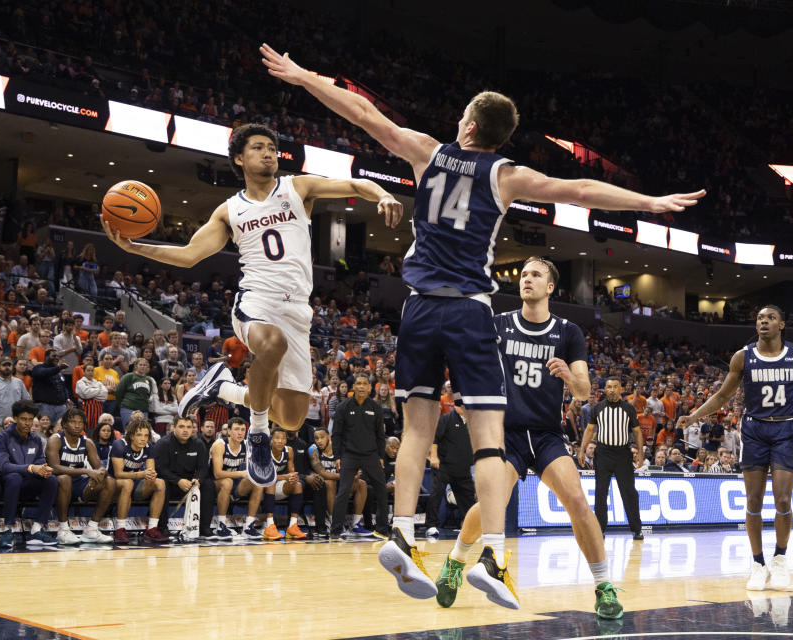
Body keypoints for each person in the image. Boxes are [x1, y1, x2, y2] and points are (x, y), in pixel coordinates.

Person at [259, 43, 705, 603]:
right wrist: (650, 201)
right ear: (498, 138)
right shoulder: (507, 174)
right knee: (489, 440)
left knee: (417, 428)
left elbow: (363, 113)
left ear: (467, 124)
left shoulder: (427, 151)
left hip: (417, 305)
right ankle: (492, 553)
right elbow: (580, 191)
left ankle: (401, 532)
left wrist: (303, 77)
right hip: (469, 309)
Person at [104, 124, 402, 489]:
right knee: (271, 346)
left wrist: (383, 194)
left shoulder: (298, 188)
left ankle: (223, 387)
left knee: (292, 419)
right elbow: (189, 255)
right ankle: (257, 435)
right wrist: (136, 248)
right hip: (256, 302)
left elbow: (355, 185)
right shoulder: (230, 210)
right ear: (239, 159)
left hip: (298, 312)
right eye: (259, 148)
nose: (269, 154)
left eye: (272, 149)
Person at [436, 257, 622, 617]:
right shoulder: (498, 325)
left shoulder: (568, 332)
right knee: (493, 502)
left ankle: (604, 587)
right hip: (506, 432)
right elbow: (465, 364)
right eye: (523, 275)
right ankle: (457, 560)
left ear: (550, 287)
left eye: (535, 275)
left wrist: (569, 375)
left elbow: (583, 392)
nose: (526, 280)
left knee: (578, 502)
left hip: (547, 434)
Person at [677, 305, 793, 591]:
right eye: (760, 318)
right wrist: (695, 416)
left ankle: (781, 559)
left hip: (787, 429)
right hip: (755, 430)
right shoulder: (742, 357)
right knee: (753, 501)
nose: (764, 321)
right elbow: (723, 395)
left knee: (783, 499)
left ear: (782, 324)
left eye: (771, 318)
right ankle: (758, 564)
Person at [580, 377, 644, 539]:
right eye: (609, 387)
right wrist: (581, 450)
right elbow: (589, 430)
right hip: (603, 453)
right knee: (600, 492)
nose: (612, 390)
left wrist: (641, 455)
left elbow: (637, 432)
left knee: (629, 492)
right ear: (605, 389)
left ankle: (637, 529)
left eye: (615, 387)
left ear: (620, 389)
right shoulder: (598, 408)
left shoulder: (629, 408)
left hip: (623, 453)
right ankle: (600, 529)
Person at [0, 400, 59, 547]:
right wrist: (30, 468)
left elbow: (40, 461)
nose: (27, 423)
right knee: (14, 477)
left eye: (30, 420)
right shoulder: (1, 438)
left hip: (28, 484)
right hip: (5, 486)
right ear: (15, 419)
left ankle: (37, 529)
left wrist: (44, 469)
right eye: (23, 419)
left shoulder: (36, 440)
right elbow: (3, 466)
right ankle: (8, 530)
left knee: (52, 480)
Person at [330, 374, 388, 538]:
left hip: (371, 455)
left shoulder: (376, 408)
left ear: (370, 388)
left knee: (382, 490)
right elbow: (336, 434)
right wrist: (337, 456)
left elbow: (380, 435)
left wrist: (381, 456)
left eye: (365, 384)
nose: (362, 387)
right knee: (343, 490)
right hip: (349, 454)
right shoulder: (343, 407)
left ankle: (382, 529)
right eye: (358, 384)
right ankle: (336, 530)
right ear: (353, 387)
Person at [46, 408, 115, 544]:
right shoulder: (56, 440)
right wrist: (85, 471)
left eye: (80, 422)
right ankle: (63, 530)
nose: (77, 425)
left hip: (78, 484)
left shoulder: (87, 442)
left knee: (110, 481)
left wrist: (100, 472)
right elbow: (54, 467)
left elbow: (99, 466)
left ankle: (92, 529)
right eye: (73, 422)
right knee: (64, 478)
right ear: (64, 424)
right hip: (56, 483)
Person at [154, 416, 217, 540]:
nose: (185, 430)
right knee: (162, 484)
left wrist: (197, 479)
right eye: (181, 426)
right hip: (171, 482)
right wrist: (178, 481)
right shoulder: (163, 443)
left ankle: (204, 528)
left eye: (189, 427)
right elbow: (161, 469)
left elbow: (203, 467)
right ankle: (162, 527)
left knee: (208, 485)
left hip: (190, 483)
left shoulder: (198, 444)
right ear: (174, 428)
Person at [110, 418, 169, 544]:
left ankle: (152, 528)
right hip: (114, 485)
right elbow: (118, 474)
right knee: (127, 482)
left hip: (134, 484)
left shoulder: (149, 447)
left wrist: (151, 474)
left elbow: (150, 470)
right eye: (139, 435)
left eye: (146, 435)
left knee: (160, 482)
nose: (143, 438)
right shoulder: (119, 445)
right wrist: (141, 474)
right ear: (131, 435)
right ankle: (120, 529)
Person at [424, 402, 476, 537]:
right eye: (460, 405)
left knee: (469, 499)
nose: (463, 408)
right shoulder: (446, 419)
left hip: (463, 468)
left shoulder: (472, 422)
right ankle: (431, 525)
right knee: (436, 495)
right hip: (444, 466)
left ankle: (470, 527)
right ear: (456, 407)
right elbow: (434, 439)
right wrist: (433, 457)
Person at [210, 417, 264, 540]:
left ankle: (249, 526)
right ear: (228, 431)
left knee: (257, 482)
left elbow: (249, 470)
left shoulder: (246, 445)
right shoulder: (220, 445)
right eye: (236, 429)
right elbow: (217, 473)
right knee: (227, 482)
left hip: (234, 484)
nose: (240, 433)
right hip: (214, 484)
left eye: (242, 430)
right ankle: (221, 525)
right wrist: (241, 474)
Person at [309, 425, 366, 539]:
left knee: (361, 483)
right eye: (316, 438)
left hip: (342, 482)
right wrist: (346, 476)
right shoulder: (312, 449)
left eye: (322, 437)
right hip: (325, 486)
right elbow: (322, 473)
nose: (319, 441)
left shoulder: (340, 449)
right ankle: (334, 523)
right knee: (330, 482)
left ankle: (355, 523)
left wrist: (355, 472)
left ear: (329, 437)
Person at [261, 428, 309, 541]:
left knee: (297, 484)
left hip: (278, 485)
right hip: (261, 487)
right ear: (271, 440)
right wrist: (285, 477)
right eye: (277, 438)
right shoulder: (265, 451)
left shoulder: (289, 451)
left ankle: (293, 526)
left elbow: (291, 472)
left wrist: (293, 477)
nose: (280, 441)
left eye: (283, 438)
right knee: (270, 482)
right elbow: (265, 476)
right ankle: (269, 525)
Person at [0, 357, 30, 436]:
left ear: (12, 367)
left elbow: (26, 400)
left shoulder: (19, 382)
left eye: (9, 365)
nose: (7, 367)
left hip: (16, 423)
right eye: (4, 365)